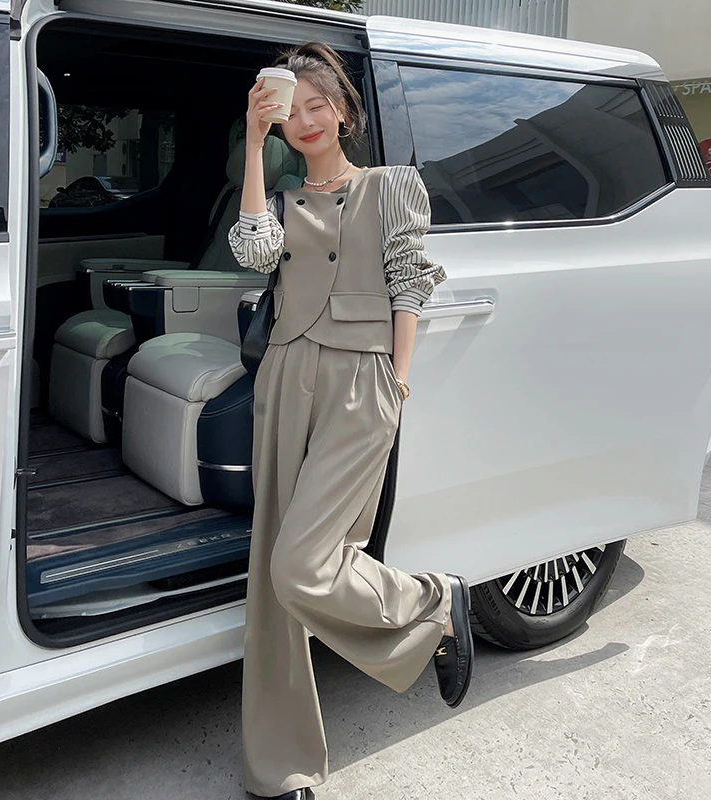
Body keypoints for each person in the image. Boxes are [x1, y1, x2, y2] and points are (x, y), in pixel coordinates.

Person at [228, 42, 474, 800]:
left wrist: (398, 380)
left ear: (343, 110)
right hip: (285, 379)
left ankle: (432, 601)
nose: (305, 121)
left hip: (362, 382)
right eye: (289, 111)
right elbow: (252, 254)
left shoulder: (392, 186)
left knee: (304, 564)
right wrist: (253, 144)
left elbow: (410, 283)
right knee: (273, 575)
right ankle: (281, 767)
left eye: (317, 105)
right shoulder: (279, 201)